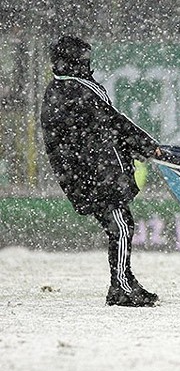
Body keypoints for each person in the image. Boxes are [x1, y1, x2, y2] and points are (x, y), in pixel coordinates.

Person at [41, 35, 161, 307]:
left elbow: (101, 126)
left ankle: (125, 280)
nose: (88, 64)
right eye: (84, 59)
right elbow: (113, 122)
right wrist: (146, 145)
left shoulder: (60, 89)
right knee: (120, 226)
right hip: (94, 171)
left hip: (87, 170)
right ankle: (120, 285)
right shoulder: (77, 90)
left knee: (121, 224)